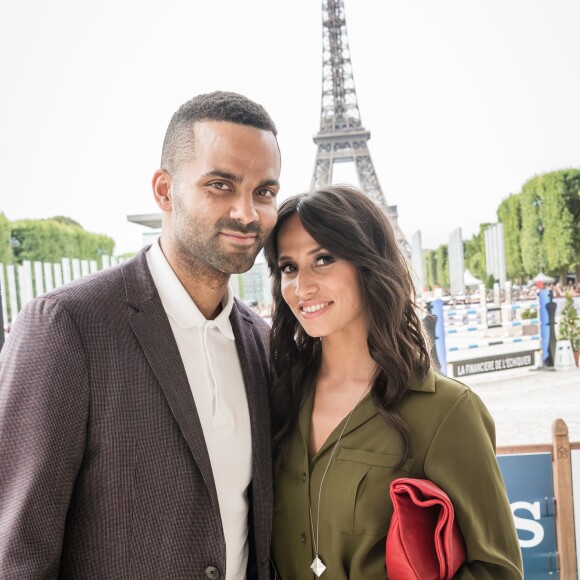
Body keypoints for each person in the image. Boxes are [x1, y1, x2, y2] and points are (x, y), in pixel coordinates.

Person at [0, 91, 281, 579]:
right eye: (220, 184)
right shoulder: (66, 327)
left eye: (264, 192)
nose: (247, 213)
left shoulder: (261, 343)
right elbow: (16, 552)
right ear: (164, 190)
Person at [264, 185, 523, 579]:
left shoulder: (447, 411)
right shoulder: (277, 397)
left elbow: (497, 570)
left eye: (324, 259)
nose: (302, 287)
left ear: (369, 264)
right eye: (288, 267)